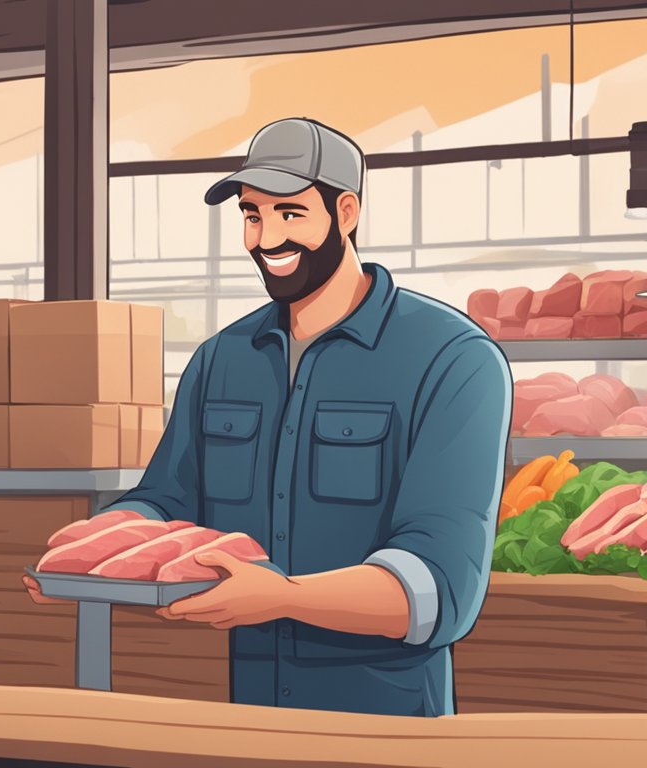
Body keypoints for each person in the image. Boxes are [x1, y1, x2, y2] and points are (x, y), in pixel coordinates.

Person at [25, 117, 512, 717]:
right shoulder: (222, 359)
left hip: (388, 723)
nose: (266, 238)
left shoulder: (452, 359)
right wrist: (90, 552)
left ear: (348, 212)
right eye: (253, 215)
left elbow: (440, 590)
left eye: (290, 213)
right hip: (245, 714)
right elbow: (169, 502)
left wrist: (283, 598)